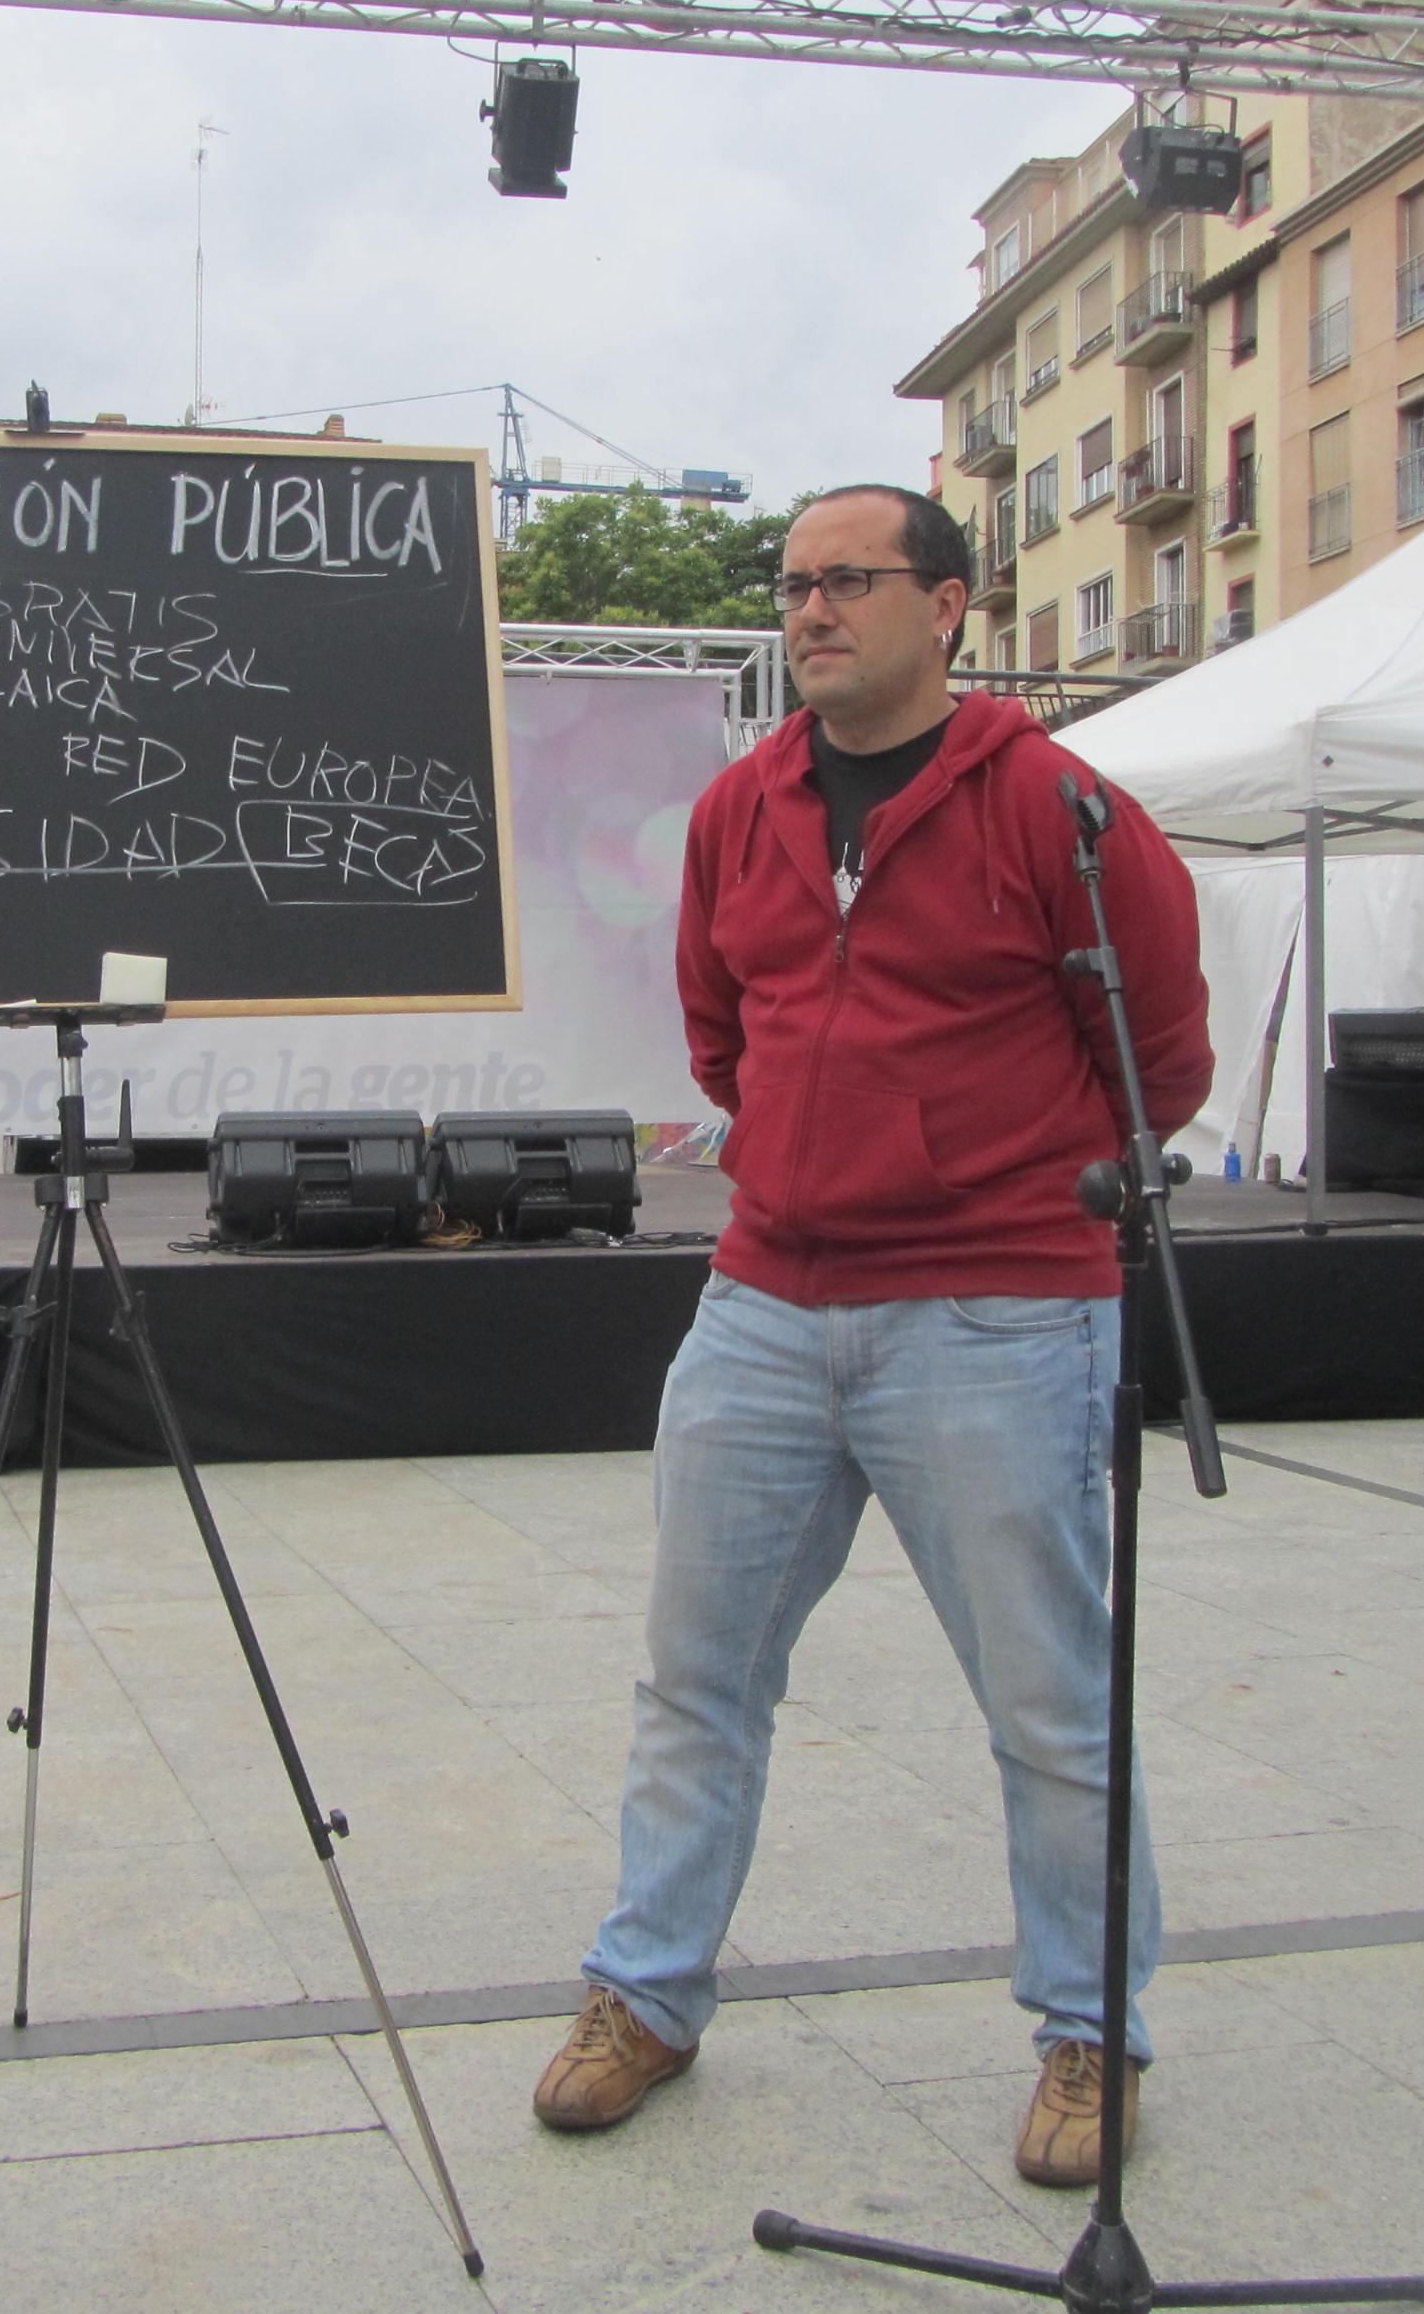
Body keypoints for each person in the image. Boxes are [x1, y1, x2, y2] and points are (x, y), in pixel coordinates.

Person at [531, 484, 1213, 2188]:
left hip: (997, 1310)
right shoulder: (737, 810)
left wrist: (972, 1177)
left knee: (1050, 1703)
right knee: (696, 1680)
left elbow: (1164, 1057)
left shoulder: (1060, 807)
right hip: (765, 1301)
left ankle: (1087, 2028)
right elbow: (719, 1030)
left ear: (952, 605)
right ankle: (647, 1993)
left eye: (849, 581)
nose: (812, 609)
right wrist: (810, 1153)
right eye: (794, 584)